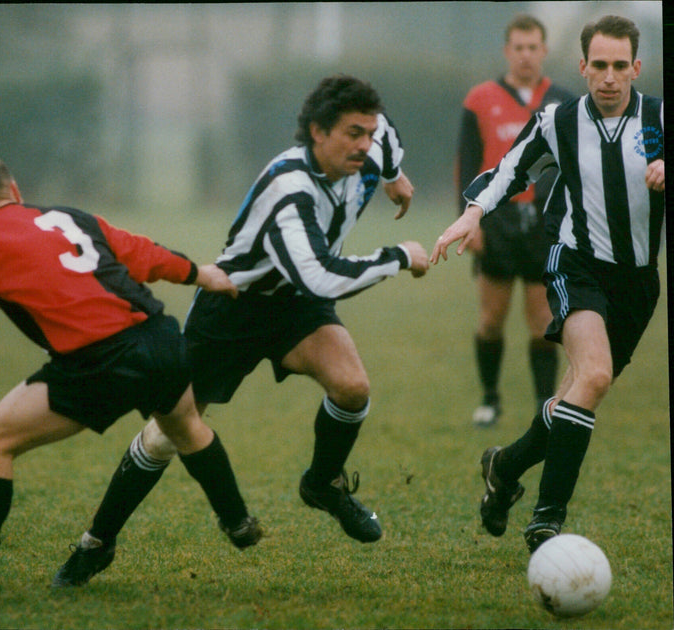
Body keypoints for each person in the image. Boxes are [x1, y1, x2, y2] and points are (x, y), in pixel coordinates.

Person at [53, 74, 430, 586]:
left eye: (368, 132)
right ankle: (97, 543)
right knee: (170, 432)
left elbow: (387, 141)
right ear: (317, 134)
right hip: (233, 308)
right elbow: (319, 277)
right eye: (351, 134)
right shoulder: (289, 192)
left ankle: (322, 485)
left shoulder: (375, 139)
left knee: (352, 386)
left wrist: (394, 173)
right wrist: (398, 256)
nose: (364, 144)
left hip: (295, 306)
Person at [0, 154, 262, 606]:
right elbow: (141, 252)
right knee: (184, 424)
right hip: (159, 338)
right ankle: (237, 520)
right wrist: (202, 274)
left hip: (99, 362)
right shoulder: (67, 216)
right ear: (15, 190)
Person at [431, 15, 664, 552]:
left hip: (638, 283)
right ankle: (546, 521)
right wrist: (471, 215)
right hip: (574, 264)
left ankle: (504, 467)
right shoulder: (559, 120)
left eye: (620, 66)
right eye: (598, 65)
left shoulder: (656, 118)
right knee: (595, 375)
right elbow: (508, 169)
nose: (609, 77)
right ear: (582, 67)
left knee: (575, 395)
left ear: (636, 67)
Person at [457, 15, 574, 427]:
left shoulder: (563, 101)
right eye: (518, 47)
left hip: (544, 223)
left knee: (542, 322)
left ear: (544, 50)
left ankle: (545, 405)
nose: (526, 55)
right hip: (497, 221)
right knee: (491, 320)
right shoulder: (480, 98)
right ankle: (490, 398)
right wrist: (469, 220)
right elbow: (467, 163)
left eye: (533, 47)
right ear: (507, 51)